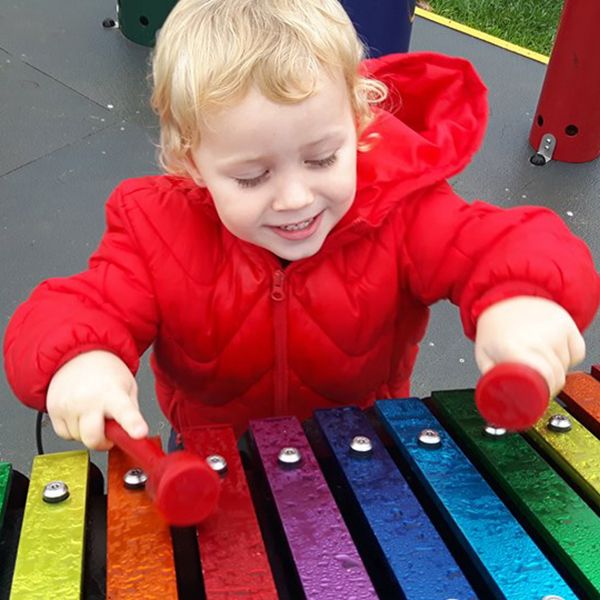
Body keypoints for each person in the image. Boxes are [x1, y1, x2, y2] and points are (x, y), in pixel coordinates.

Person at [3, 0, 599, 451]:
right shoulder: (153, 227)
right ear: (190, 160)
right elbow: (80, 308)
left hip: (367, 452)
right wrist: (81, 360)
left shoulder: (400, 206)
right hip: (221, 460)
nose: (295, 197)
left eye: (321, 159)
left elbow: (502, 245)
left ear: (359, 118)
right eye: (251, 176)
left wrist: (522, 302)